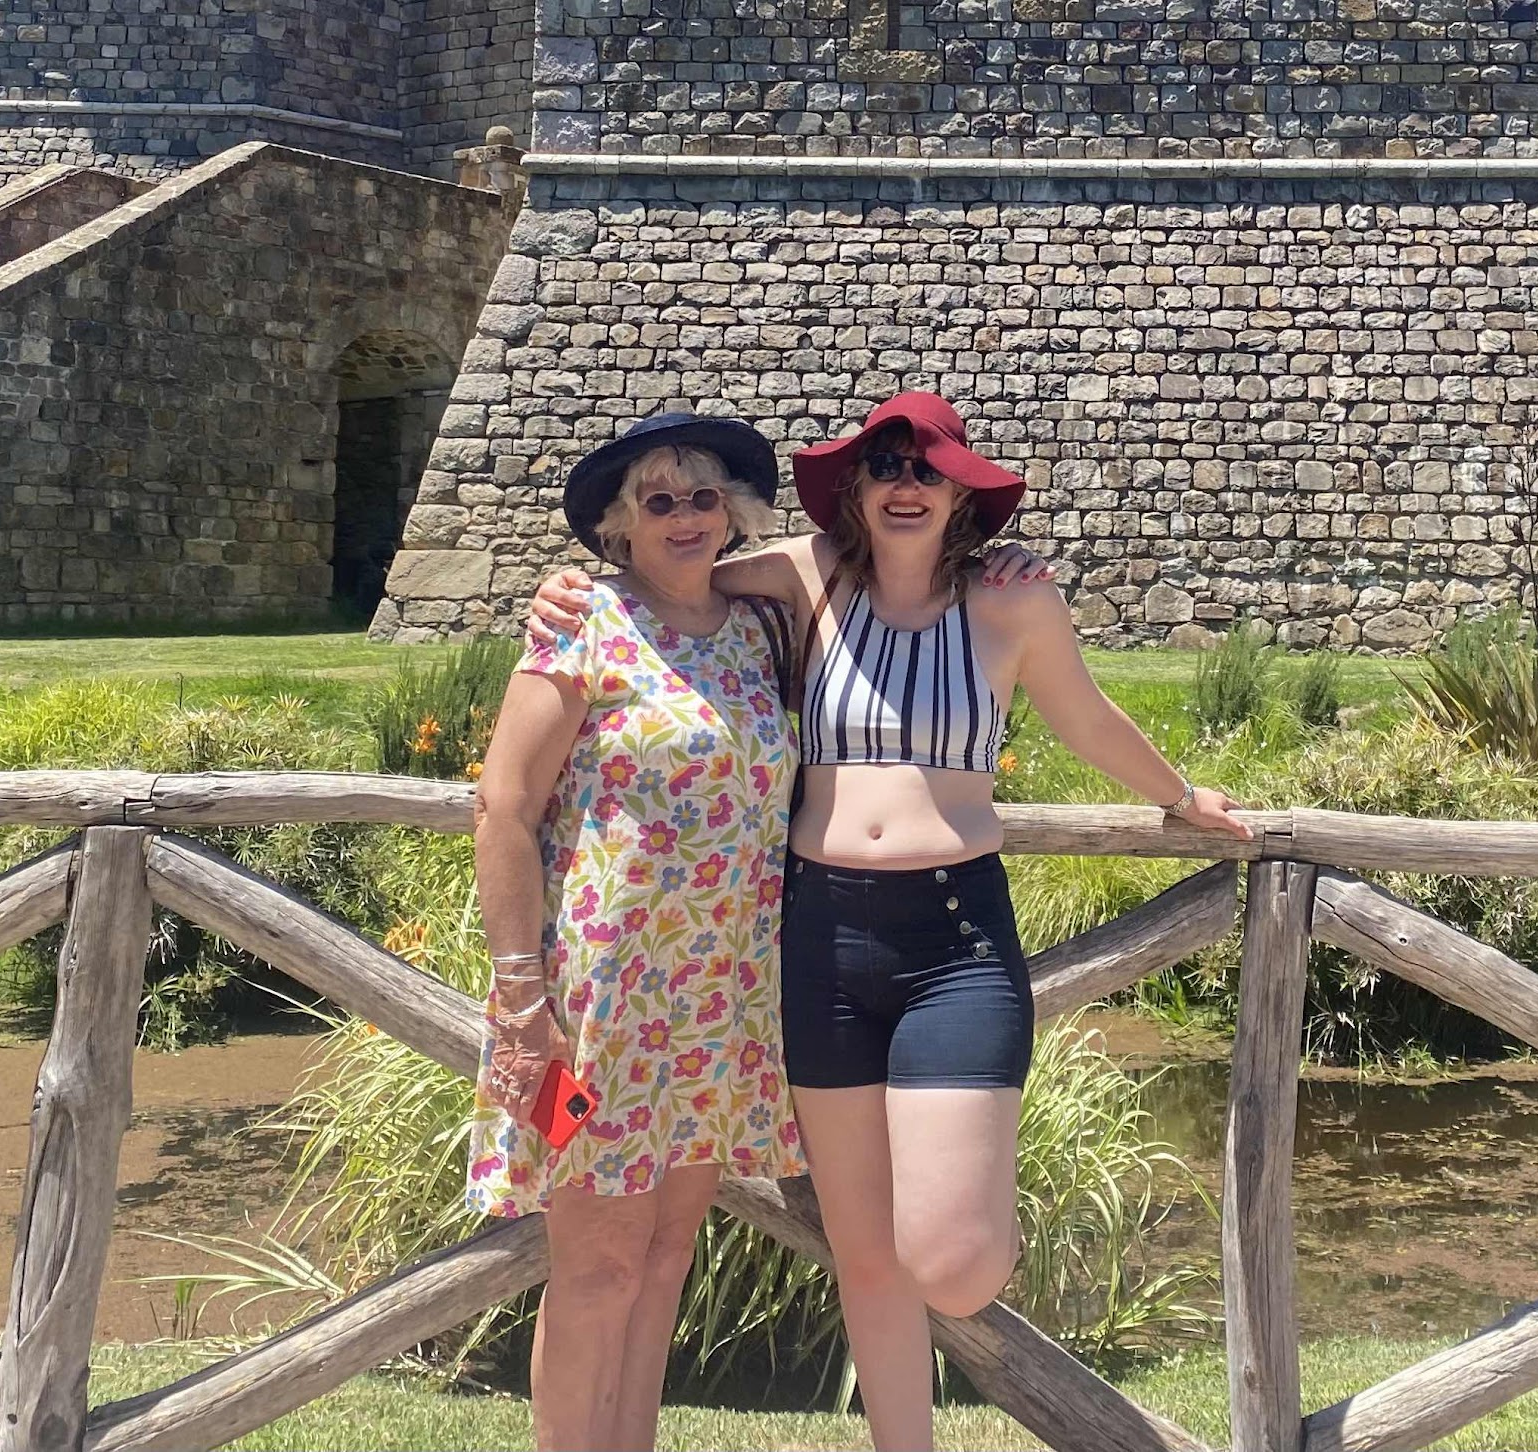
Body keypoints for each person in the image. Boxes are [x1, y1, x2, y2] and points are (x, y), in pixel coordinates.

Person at [528, 392, 1251, 1452]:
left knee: (951, 1262)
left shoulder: (1012, 602)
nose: (906, 484)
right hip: (820, 937)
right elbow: (674, 575)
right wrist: (571, 589)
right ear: (855, 492)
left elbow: (1087, 717)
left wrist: (1182, 797)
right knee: (864, 1259)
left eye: (928, 468)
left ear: (961, 494)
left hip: (953, 937)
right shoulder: (807, 578)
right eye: (886, 466)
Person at [468, 412, 808, 1452]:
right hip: (598, 1005)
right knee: (597, 1268)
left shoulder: (760, 630)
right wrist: (522, 1000)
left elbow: (863, 554)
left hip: (716, 1003)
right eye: (659, 501)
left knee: (664, 1259)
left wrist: (996, 557)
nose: (685, 517)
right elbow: (504, 806)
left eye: (705, 497)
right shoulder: (582, 625)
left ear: (734, 513)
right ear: (620, 526)